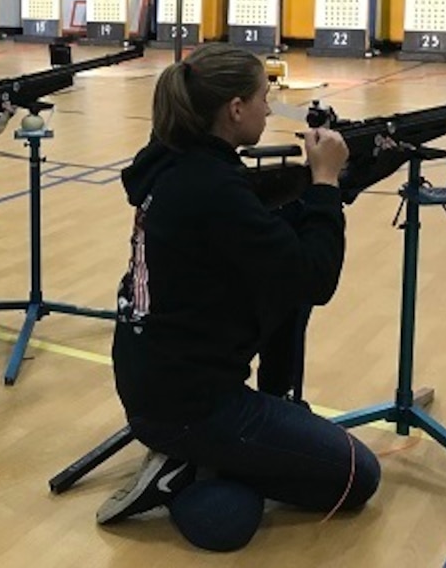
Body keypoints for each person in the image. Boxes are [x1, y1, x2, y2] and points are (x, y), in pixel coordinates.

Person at [96, 43, 380, 550]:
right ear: (234, 110)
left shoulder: (173, 161)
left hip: (155, 381)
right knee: (357, 476)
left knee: (238, 508)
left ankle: (211, 454)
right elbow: (316, 278)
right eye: (263, 98)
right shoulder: (213, 188)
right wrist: (324, 185)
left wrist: (320, 193)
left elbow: (267, 240)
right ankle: (187, 470)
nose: (269, 109)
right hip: (193, 403)